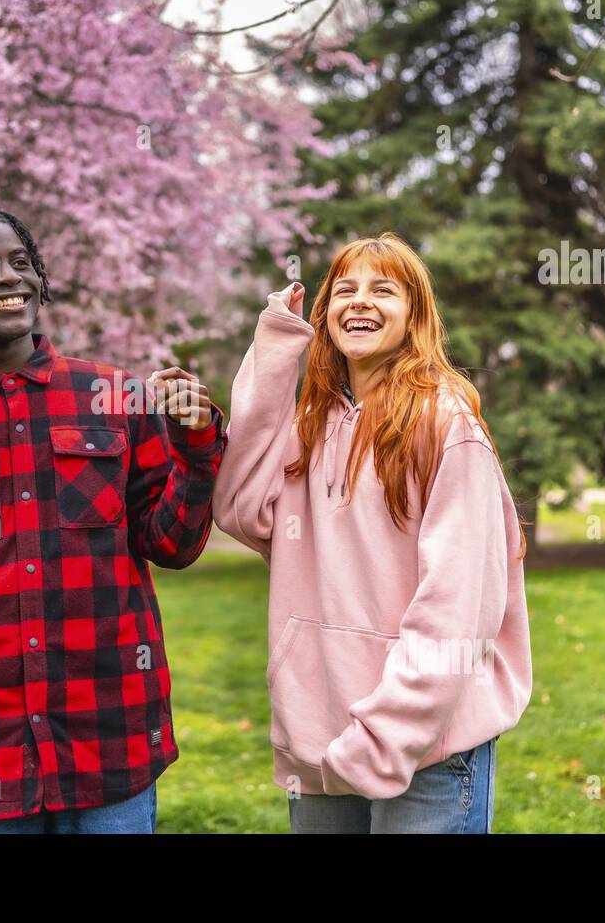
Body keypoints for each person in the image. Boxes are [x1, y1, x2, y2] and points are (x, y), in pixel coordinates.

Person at [0, 206, 226, 834]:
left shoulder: (117, 398)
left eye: (21, 263)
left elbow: (172, 543)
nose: (9, 278)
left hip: (109, 742)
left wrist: (195, 447)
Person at [212, 232, 532, 834]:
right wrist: (278, 351)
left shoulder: (446, 425)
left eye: (383, 290)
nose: (359, 301)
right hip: (321, 740)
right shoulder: (311, 427)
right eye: (344, 290)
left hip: (427, 749)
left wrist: (383, 739)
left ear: (414, 316)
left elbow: (458, 608)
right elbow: (237, 504)